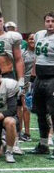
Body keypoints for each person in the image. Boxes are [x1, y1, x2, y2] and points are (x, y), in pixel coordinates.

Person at [32, 13, 54, 155]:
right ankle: (43, 144)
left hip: (52, 78)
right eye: (48, 21)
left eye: (53, 21)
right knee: (40, 113)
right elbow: (37, 58)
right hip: (39, 79)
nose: (50, 23)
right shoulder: (39, 34)